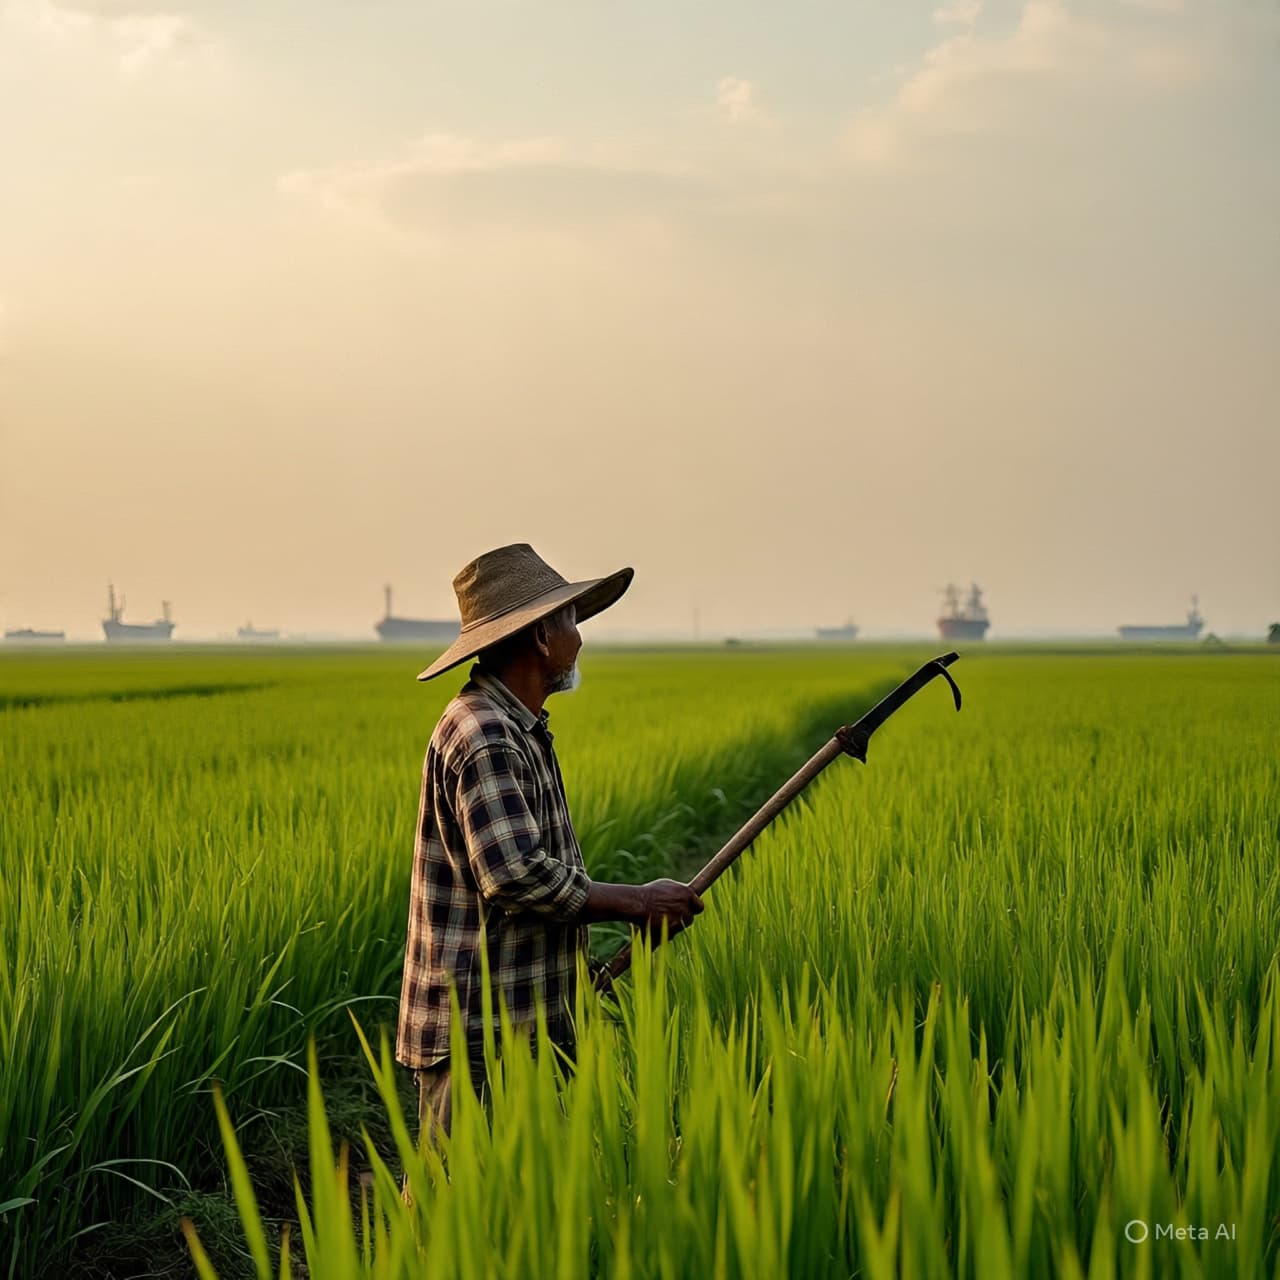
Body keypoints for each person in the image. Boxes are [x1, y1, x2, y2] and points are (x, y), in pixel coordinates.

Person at [395, 543, 703, 1144]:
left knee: (522, 1216)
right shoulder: (487, 734)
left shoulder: (516, 726)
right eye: (569, 620)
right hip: (481, 1038)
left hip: (524, 1021)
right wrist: (639, 902)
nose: (580, 637)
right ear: (540, 639)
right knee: (458, 1215)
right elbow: (514, 875)